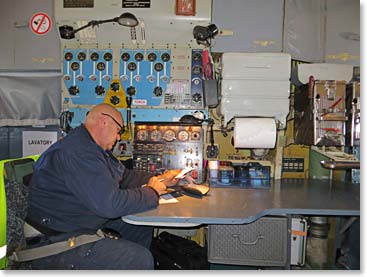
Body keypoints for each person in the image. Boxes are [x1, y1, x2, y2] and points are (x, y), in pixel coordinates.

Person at [26, 103, 181, 270]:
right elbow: (110, 205)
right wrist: (151, 192)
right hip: (54, 239)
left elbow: (125, 177)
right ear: (104, 121)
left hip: (76, 219)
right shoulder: (79, 152)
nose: (119, 137)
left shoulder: (94, 149)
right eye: (119, 130)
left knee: (139, 227)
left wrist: (160, 179)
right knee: (139, 259)